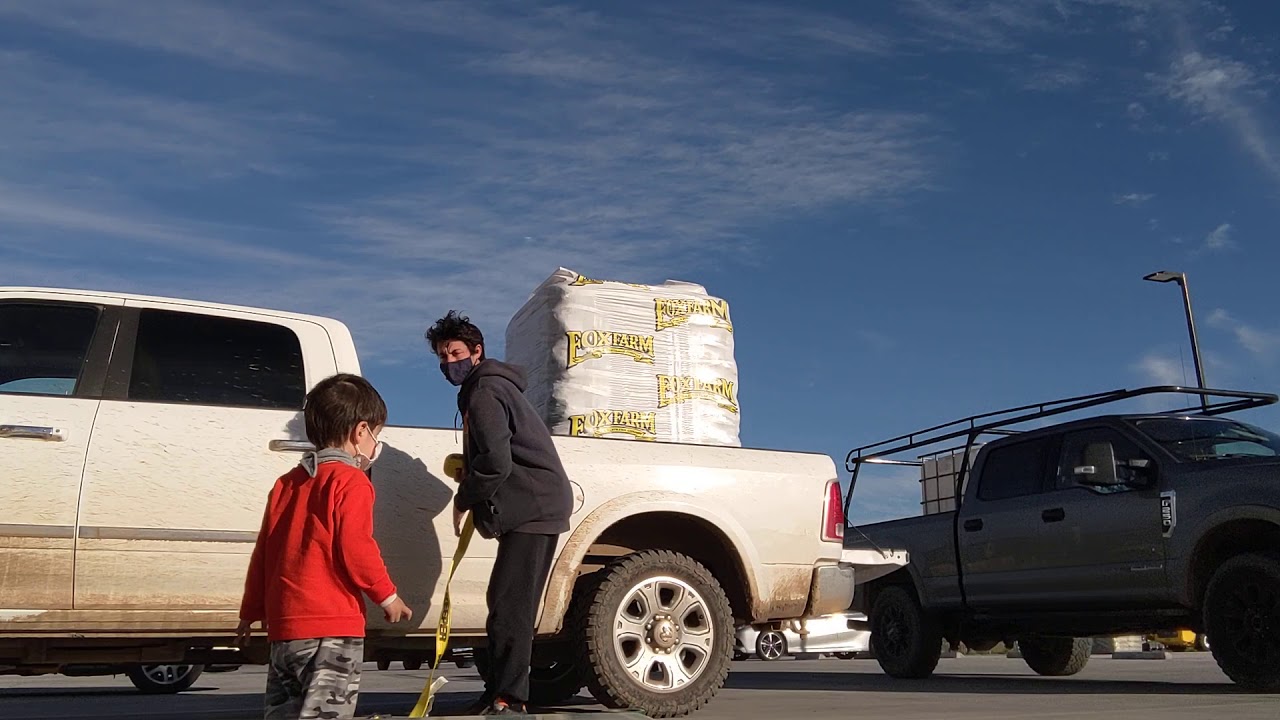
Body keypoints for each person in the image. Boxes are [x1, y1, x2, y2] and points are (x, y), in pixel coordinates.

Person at [236, 373, 414, 720]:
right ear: (360, 431)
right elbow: (356, 546)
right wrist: (387, 595)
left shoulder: (287, 484)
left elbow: (264, 552)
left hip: (285, 630)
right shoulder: (351, 482)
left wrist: (251, 609)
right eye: (376, 435)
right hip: (332, 628)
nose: (375, 444)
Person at [426, 310, 573, 716]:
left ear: (476, 352)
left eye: (454, 352)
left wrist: (463, 498)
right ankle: (498, 693)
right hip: (530, 505)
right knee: (504, 599)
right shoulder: (487, 389)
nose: (447, 363)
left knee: (511, 604)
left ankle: (510, 699)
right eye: (441, 356)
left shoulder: (484, 391)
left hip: (534, 506)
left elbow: (495, 462)